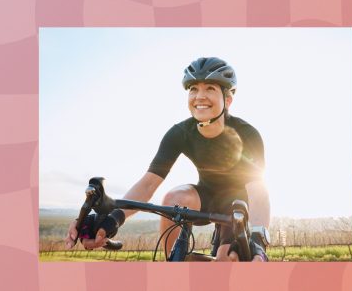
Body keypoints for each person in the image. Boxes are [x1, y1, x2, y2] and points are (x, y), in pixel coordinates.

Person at [65, 57, 271, 262]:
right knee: (174, 199)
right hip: (204, 197)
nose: (200, 96)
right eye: (193, 89)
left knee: (227, 260)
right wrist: (113, 219)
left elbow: (258, 191)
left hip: (237, 203)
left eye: (210, 88)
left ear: (228, 100)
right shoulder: (179, 133)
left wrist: (258, 242)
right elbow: (148, 184)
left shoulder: (247, 134)